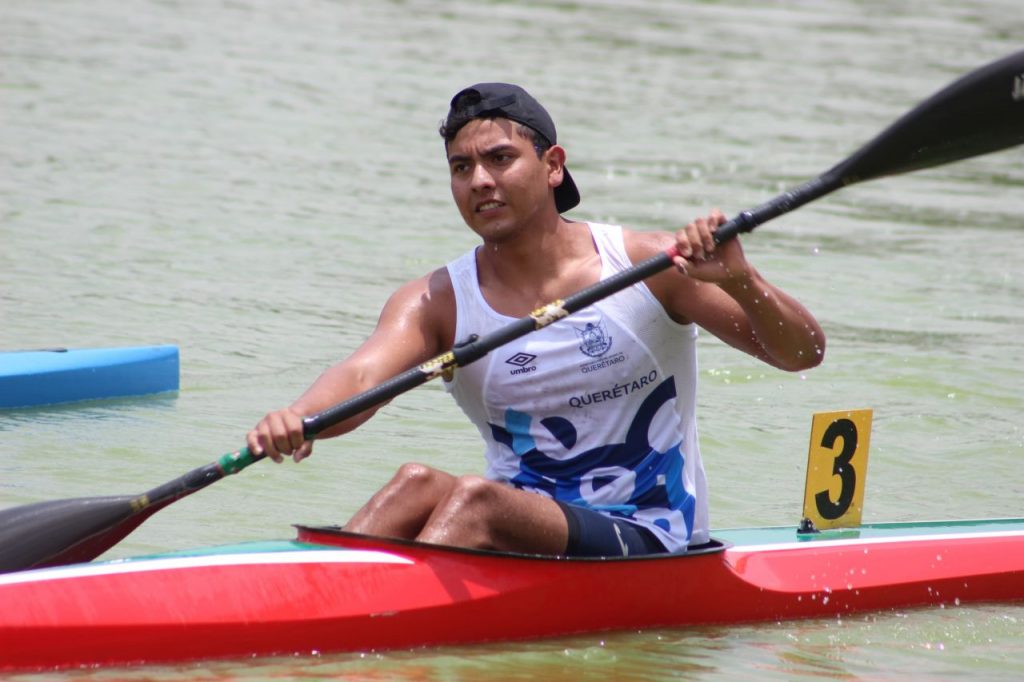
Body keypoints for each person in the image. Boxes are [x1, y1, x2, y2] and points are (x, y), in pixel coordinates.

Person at [246, 82, 825, 557]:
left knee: (476, 499)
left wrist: (741, 282)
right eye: (461, 167)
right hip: (517, 527)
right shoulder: (438, 300)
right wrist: (299, 417)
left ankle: (366, 631)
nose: (478, 180)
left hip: (648, 532)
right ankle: (315, 608)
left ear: (553, 166)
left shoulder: (650, 265)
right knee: (414, 482)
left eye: (500, 159)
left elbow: (803, 353)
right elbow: (361, 379)